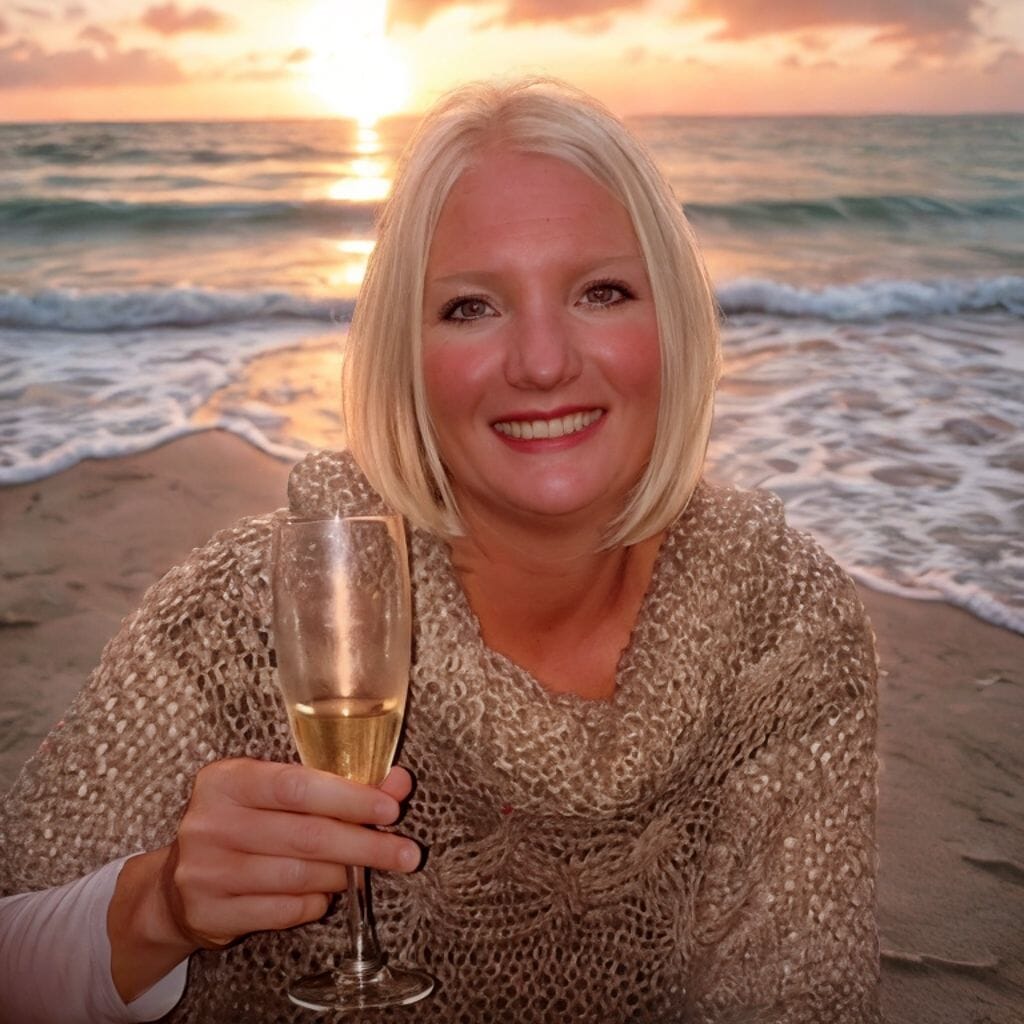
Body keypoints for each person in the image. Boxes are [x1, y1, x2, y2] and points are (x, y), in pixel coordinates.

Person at [0, 78, 882, 1022]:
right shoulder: (243, 615)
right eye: (471, 307)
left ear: (675, 324)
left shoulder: (784, 630)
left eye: (602, 291)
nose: (542, 362)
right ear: (404, 353)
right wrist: (157, 904)